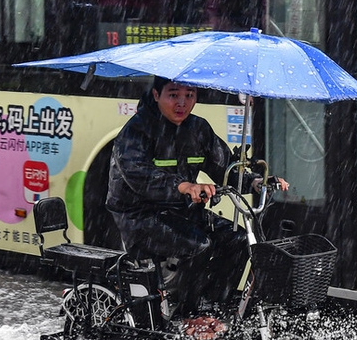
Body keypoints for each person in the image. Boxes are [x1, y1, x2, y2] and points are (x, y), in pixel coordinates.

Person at [106, 76, 287, 323]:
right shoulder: (136, 130)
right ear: (157, 95)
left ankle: (214, 308)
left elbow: (225, 168)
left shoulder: (198, 129)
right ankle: (187, 316)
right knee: (198, 246)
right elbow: (138, 176)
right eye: (173, 95)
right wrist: (184, 186)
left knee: (238, 239)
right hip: (139, 216)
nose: (182, 102)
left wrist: (256, 181)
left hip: (181, 211)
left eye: (189, 95)